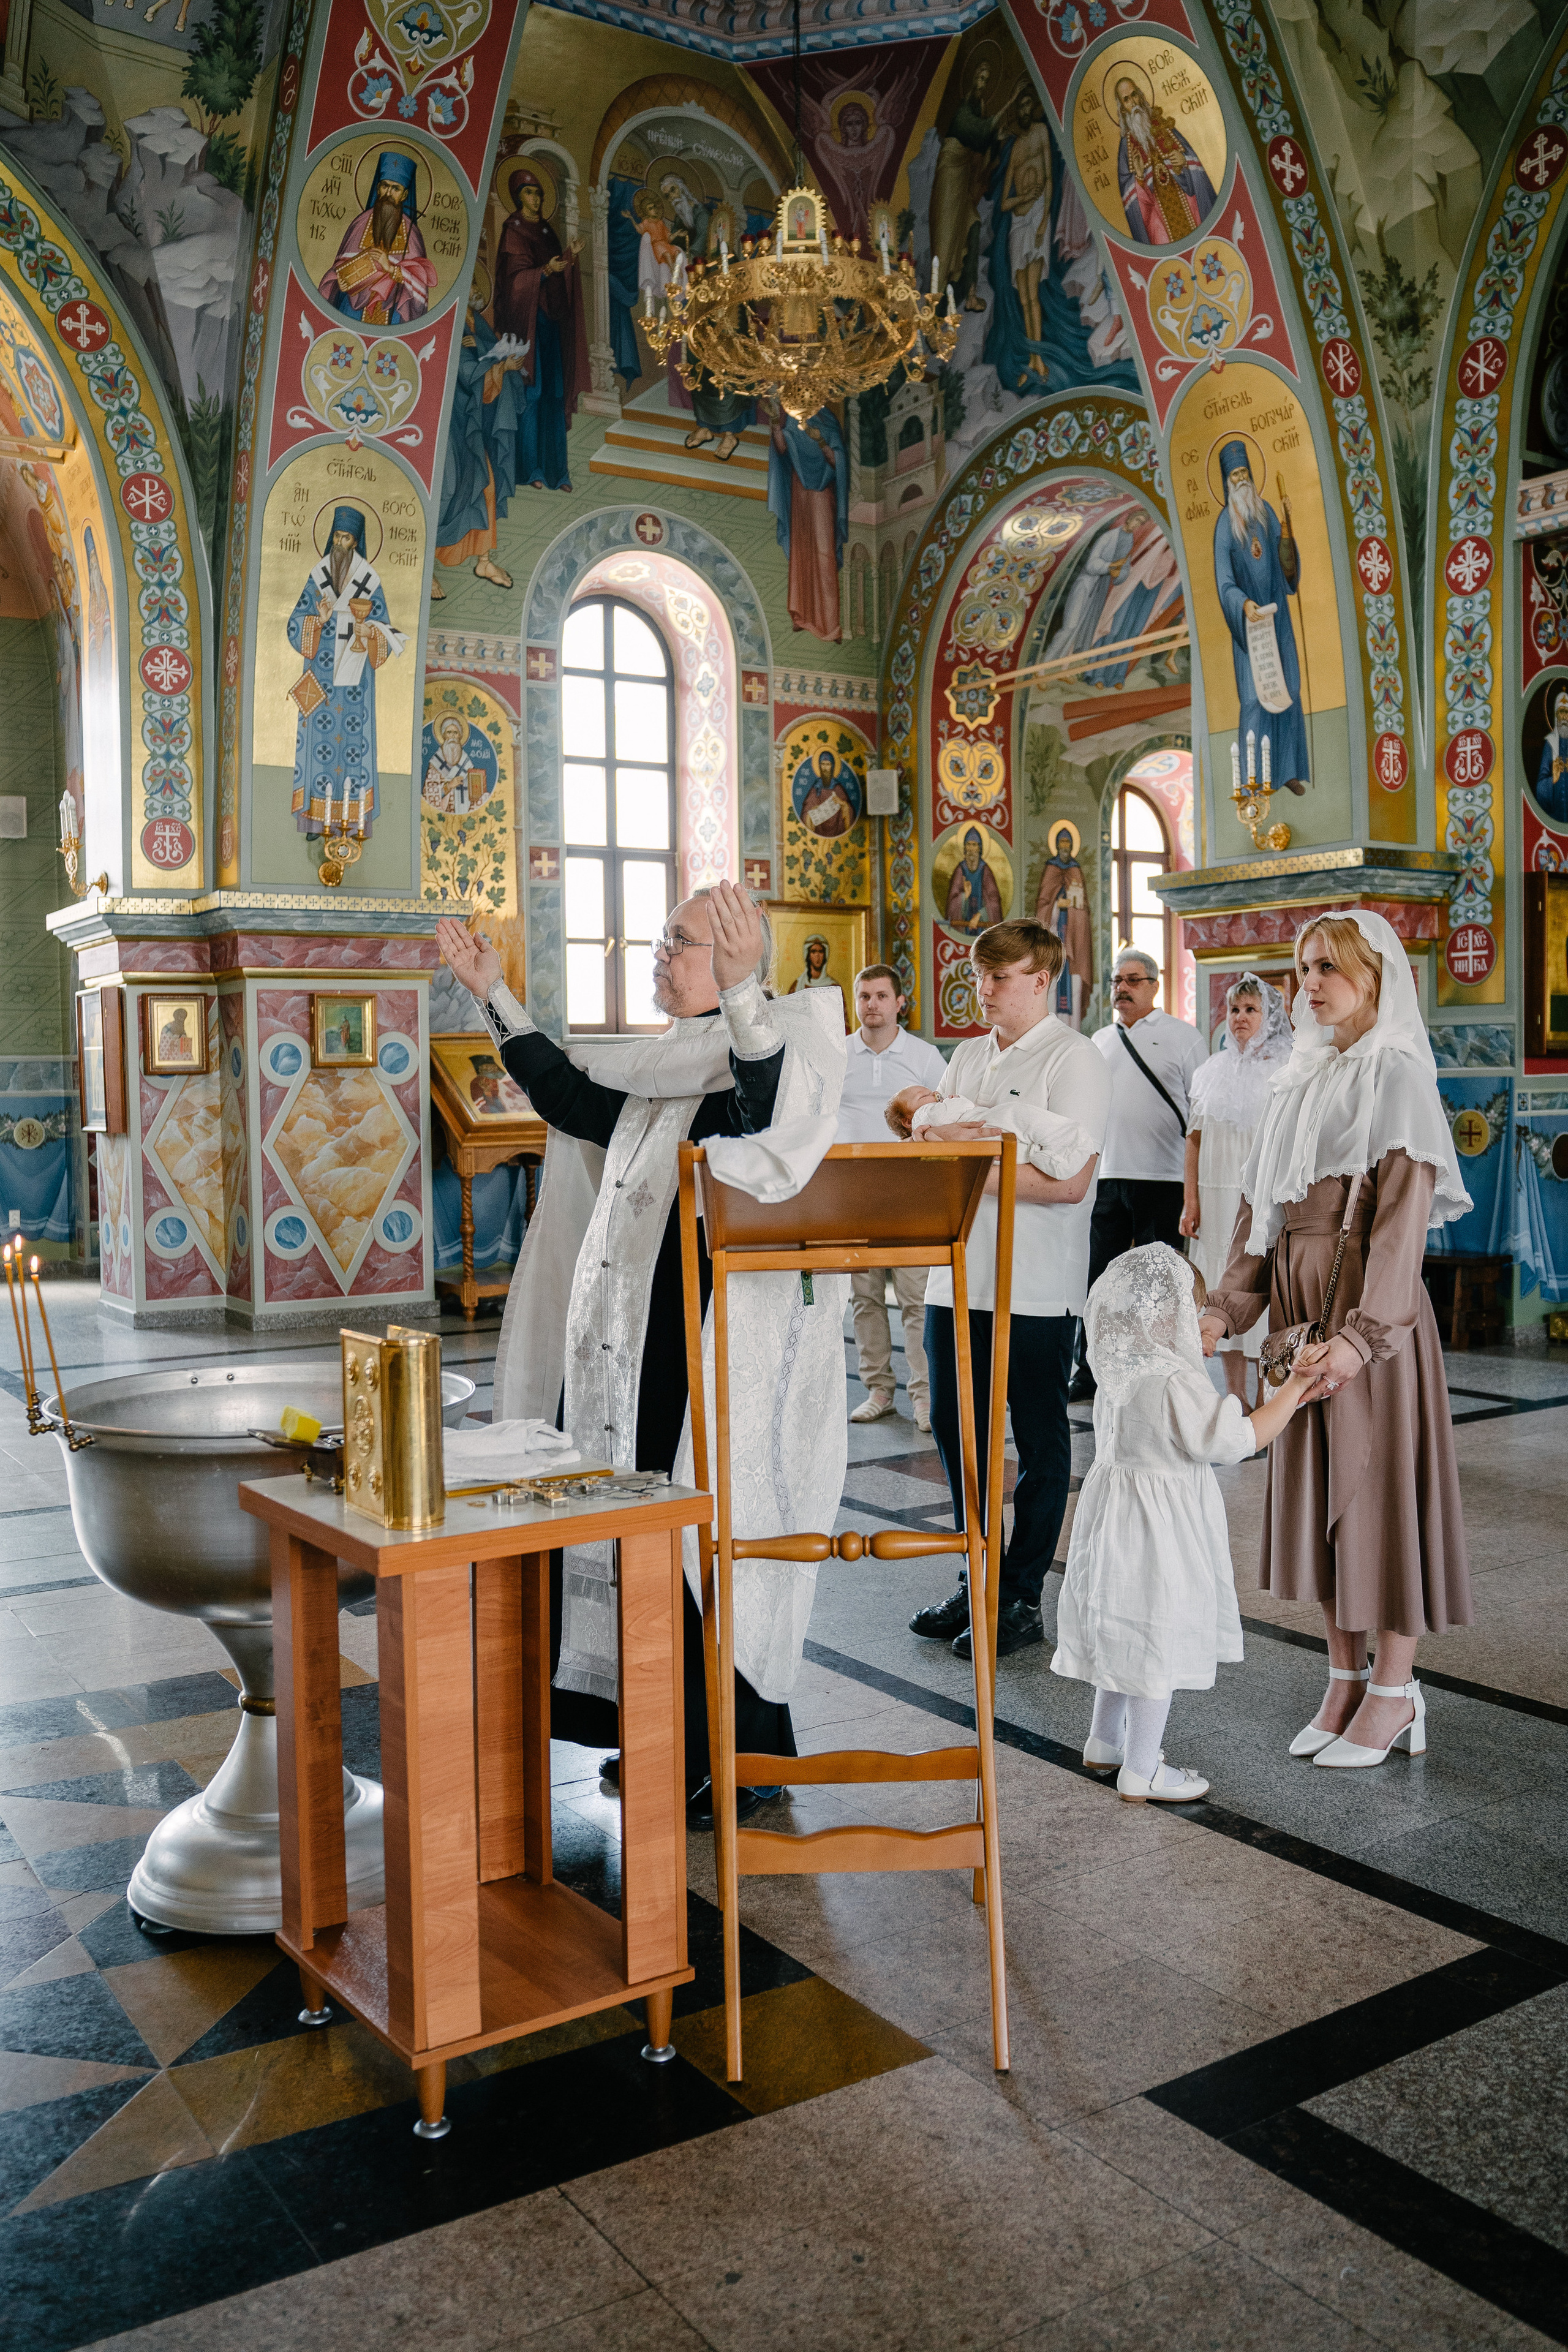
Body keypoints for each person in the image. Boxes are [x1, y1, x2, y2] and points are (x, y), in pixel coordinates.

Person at [435, 884, 846, 1825]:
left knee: (699, 1545)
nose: (659, 955)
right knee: (633, 1538)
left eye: (680, 942)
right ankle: (661, 1735)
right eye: (662, 939)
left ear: (738, 954)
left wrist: (745, 1000)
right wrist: (493, 994)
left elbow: (771, 1116)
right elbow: (575, 1096)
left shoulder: (781, 1037)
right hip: (625, 1337)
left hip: (700, 1344)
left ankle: (739, 1759)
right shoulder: (665, 1060)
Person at [1199, 911, 1473, 1770]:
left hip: (1368, 1326)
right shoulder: (1294, 1079)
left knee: (1378, 1496)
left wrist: (1360, 1339)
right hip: (1296, 1315)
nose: (1310, 984)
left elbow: (1401, 1232)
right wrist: (1225, 1308)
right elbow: (1259, 1219)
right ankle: (1343, 1678)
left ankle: (1395, 1691)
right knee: (1321, 1500)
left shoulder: (1395, 1076)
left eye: (1330, 968)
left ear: (1376, 977)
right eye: (1302, 967)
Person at [906, 919, 1110, 1659]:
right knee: (956, 1433)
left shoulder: (1074, 1059)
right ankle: (976, 1573)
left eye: (999, 976)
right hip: (954, 1273)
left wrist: (959, 1158)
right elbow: (928, 1150)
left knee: (1038, 1438)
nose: (983, 988)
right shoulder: (966, 1054)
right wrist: (963, 1154)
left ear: (1040, 979)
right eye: (980, 974)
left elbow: (1067, 1183)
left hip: (1034, 1284)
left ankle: (1019, 1596)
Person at [1053, 1246, 1311, 1801]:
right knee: (1157, 1640)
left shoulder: (1117, 1371)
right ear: (1165, 1315)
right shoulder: (1174, 1380)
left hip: (1114, 1524)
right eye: (1191, 1313)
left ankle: (1105, 1741)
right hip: (1160, 1534)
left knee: (1126, 1627)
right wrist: (1292, 1391)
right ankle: (1143, 1769)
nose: (1197, 1326)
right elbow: (1234, 1440)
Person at [1070, 946, 1205, 1400]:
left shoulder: (1183, 1038)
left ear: (1154, 985)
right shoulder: (1099, 1040)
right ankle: (1089, 1370)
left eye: (1132, 981)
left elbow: (1200, 1117)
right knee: (1097, 1279)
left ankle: (1157, 1368)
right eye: (1116, 981)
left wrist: (1194, 1190)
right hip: (1107, 1178)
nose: (1121, 989)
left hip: (1164, 1179)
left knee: (1158, 1280)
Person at [835, 963, 946, 1432]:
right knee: (863, 1297)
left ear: (901, 1002)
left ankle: (924, 1397)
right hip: (852, 1191)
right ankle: (879, 1390)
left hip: (907, 1191)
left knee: (916, 1297)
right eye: (864, 997)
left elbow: (944, 1118)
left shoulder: (923, 1057)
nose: (872, 1005)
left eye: (882, 996)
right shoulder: (836, 1054)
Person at [1180, 974, 1293, 1403]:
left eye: (1251, 1010)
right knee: (1218, 1292)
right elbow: (1195, 1139)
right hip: (1214, 1197)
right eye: (1234, 1010)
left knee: (1255, 1287)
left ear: (1270, 1018)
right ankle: (1233, 1396)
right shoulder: (1211, 1070)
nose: (1241, 1018)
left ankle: (1267, 1395)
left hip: (1260, 1200)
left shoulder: (1286, 1071)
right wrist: (1191, 1200)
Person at [285, 507, 406, 838]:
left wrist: (370, 634)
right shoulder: (318, 576)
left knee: (355, 746)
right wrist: (319, 621)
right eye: (337, 536)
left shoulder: (370, 581)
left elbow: (384, 629)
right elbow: (295, 623)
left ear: (357, 542)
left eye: (347, 537)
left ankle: (354, 822)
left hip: (355, 684)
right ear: (331, 538)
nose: (341, 543)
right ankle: (314, 820)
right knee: (316, 744)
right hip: (321, 678)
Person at [1214, 443, 1308, 795]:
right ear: (1227, 483)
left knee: (1289, 688)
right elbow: (1224, 582)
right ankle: (1252, 783)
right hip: (1251, 625)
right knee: (1255, 698)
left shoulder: (1266, 511)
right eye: (1234, 476)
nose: (1241, 481)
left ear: (1252, 478)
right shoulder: (1225, 526)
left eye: (1245, 475)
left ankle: (1287, 771)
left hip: (1278, 617)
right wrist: (1243, 605)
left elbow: (1286, 568)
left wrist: (1286, 535)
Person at [494, 167, 592, 493]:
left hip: (551, 325)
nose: (535, 199)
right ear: (518, 197)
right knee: (533, 394)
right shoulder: (513, 231)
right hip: (528, 326)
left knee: (555, 394)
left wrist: (568, 259)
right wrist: (545, 272)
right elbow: (514, 283)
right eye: (528, 193)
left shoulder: (548, 231)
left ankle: (558, 472)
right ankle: (531, 468)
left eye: (538, 193)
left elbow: (555, 274)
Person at [886, 1080, 1096, 1178]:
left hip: (984, 1143)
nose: (935, 1094)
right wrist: (955, 1100)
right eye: (924, 1096)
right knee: (1017, 1115)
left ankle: (1046, 1156)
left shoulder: (926, 1121)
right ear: (907, 1121)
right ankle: (1065, 1143)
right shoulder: (925, 1116)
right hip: (985, 1126)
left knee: (1017, 1151)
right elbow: (956, 1109)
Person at [320, 151, 435, 325]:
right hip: (353, 306)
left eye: (396, 188)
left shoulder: (411, 233)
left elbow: (419, 281)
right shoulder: (361, 223)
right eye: (384, 186)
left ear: (404, 195)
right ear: (378, 188)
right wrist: (340, 281)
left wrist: (391, 268)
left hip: (391, 309)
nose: (388, 193)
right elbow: (341, 264)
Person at [768, 405, 849, 641]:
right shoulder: (792, 420)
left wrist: (821, 441)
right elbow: (782, 448)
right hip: (799, 493)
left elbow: (838, 461)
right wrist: (775, 419)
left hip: (822, 494)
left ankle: (831, 625)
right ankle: (801, 615)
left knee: (825, 556)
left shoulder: (828, 420)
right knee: (801, 556)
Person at [946, 826, 1003, 933]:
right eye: (969, 845)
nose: (971, 849)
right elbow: (952, 902)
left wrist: (980, 914)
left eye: (974, 845)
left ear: (979, 848)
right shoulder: (960, 870)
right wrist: (964, 897)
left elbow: (994, 900)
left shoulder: (985, 871)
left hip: (982, 925)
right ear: (965, 848)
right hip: (964, 924)